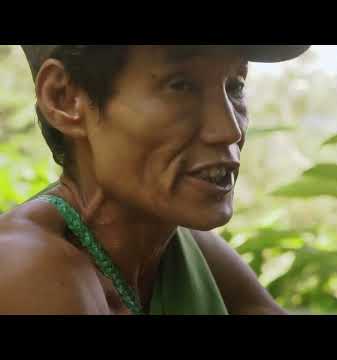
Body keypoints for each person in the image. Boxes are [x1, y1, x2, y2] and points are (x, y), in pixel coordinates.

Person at [0, 45, 311, 315]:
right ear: (64, 99)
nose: (230, 130)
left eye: (235, 87)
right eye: (181, 86)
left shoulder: (180, 247)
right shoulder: (24, 267)